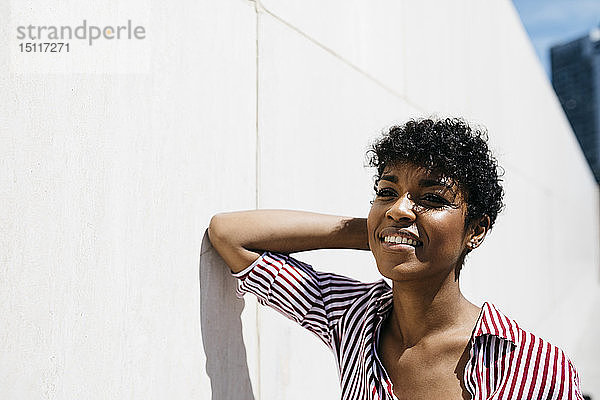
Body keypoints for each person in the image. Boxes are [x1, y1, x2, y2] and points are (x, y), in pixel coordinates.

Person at [208, 118, 584, 399]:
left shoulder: (536, 368)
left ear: (477, 230)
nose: (400, 207)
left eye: (432, 199)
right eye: (387, 192)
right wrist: (377, 233)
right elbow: (231, 235)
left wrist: (396, 231)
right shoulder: (352, 317)